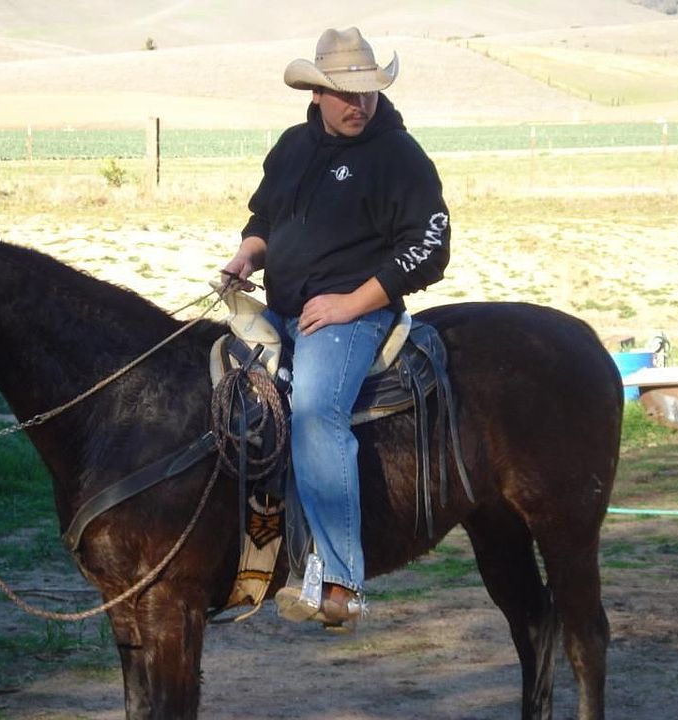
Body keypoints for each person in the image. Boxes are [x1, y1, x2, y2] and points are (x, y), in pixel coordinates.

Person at [221, 27, 450, 629]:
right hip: (282, 307)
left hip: (351, 316)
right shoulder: (295, 145)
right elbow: (266, 216)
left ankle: (341, 581)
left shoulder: (398, 156)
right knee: (229, 395)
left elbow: (430, 245)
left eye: (368, 93)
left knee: (316, 408)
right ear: (318, 93)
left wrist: (352, 304)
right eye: (346, 93)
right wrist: (246, 256)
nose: (359, 105)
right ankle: (254, 562)